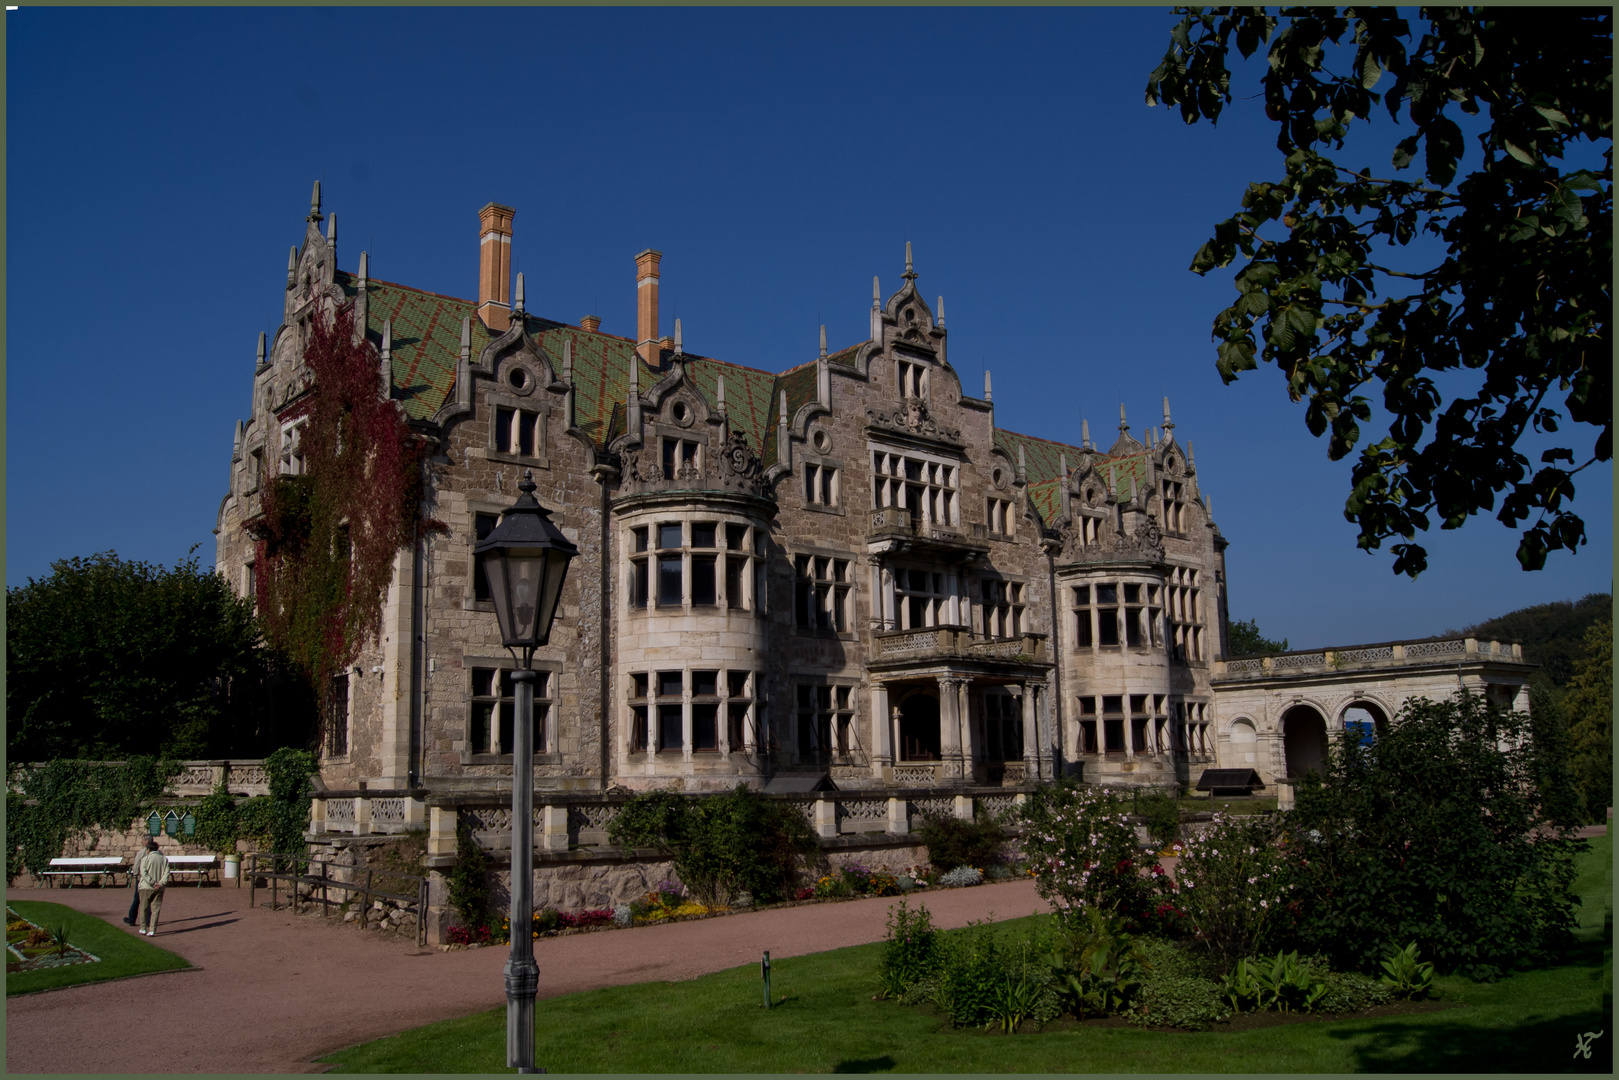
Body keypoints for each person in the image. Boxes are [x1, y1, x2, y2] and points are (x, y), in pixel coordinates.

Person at [135, 838, 170, 936]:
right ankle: (152, 929)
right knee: (155, 910)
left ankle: (143, 928)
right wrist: (160, 883)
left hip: (146, 887)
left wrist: (152, 883)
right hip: (159, 888)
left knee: (143, 908)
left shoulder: (145, 859)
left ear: (148, 850)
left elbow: (144, 873)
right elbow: (166, 873)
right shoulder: (164, 859)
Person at [124, 844, 147, 925]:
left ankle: (132, 919)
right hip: (154, 879)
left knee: (137, 899)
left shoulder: (142, 852)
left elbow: (137, 864)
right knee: (150, 900)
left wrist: (136, 874)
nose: (142, 841)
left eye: (144, 840)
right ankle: (148, 921)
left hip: (141, 879)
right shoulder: (159, 853)